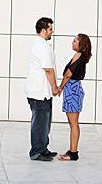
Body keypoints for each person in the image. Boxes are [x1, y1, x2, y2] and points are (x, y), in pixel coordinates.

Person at [25, 17, 60, 161]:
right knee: (39, 123)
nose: (52, 31)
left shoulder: (42, 44)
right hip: (39, 92)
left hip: (42, 92)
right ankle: (36, 152)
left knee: (44, 122)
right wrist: (54, 88)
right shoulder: (42, 46)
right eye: (50, 29)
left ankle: (43, 148)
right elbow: (48, 70)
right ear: (43, 30)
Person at [57, 33, 91, 161]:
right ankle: (72, 150)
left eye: (75, 41)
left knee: (73, 123)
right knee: (73, 123)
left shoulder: (79, 55)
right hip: (74, 89)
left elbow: (68, 74)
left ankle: (73, 153)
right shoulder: (81, 56)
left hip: (72, 89)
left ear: (81, 44)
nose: (72, 43)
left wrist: (60, 87)